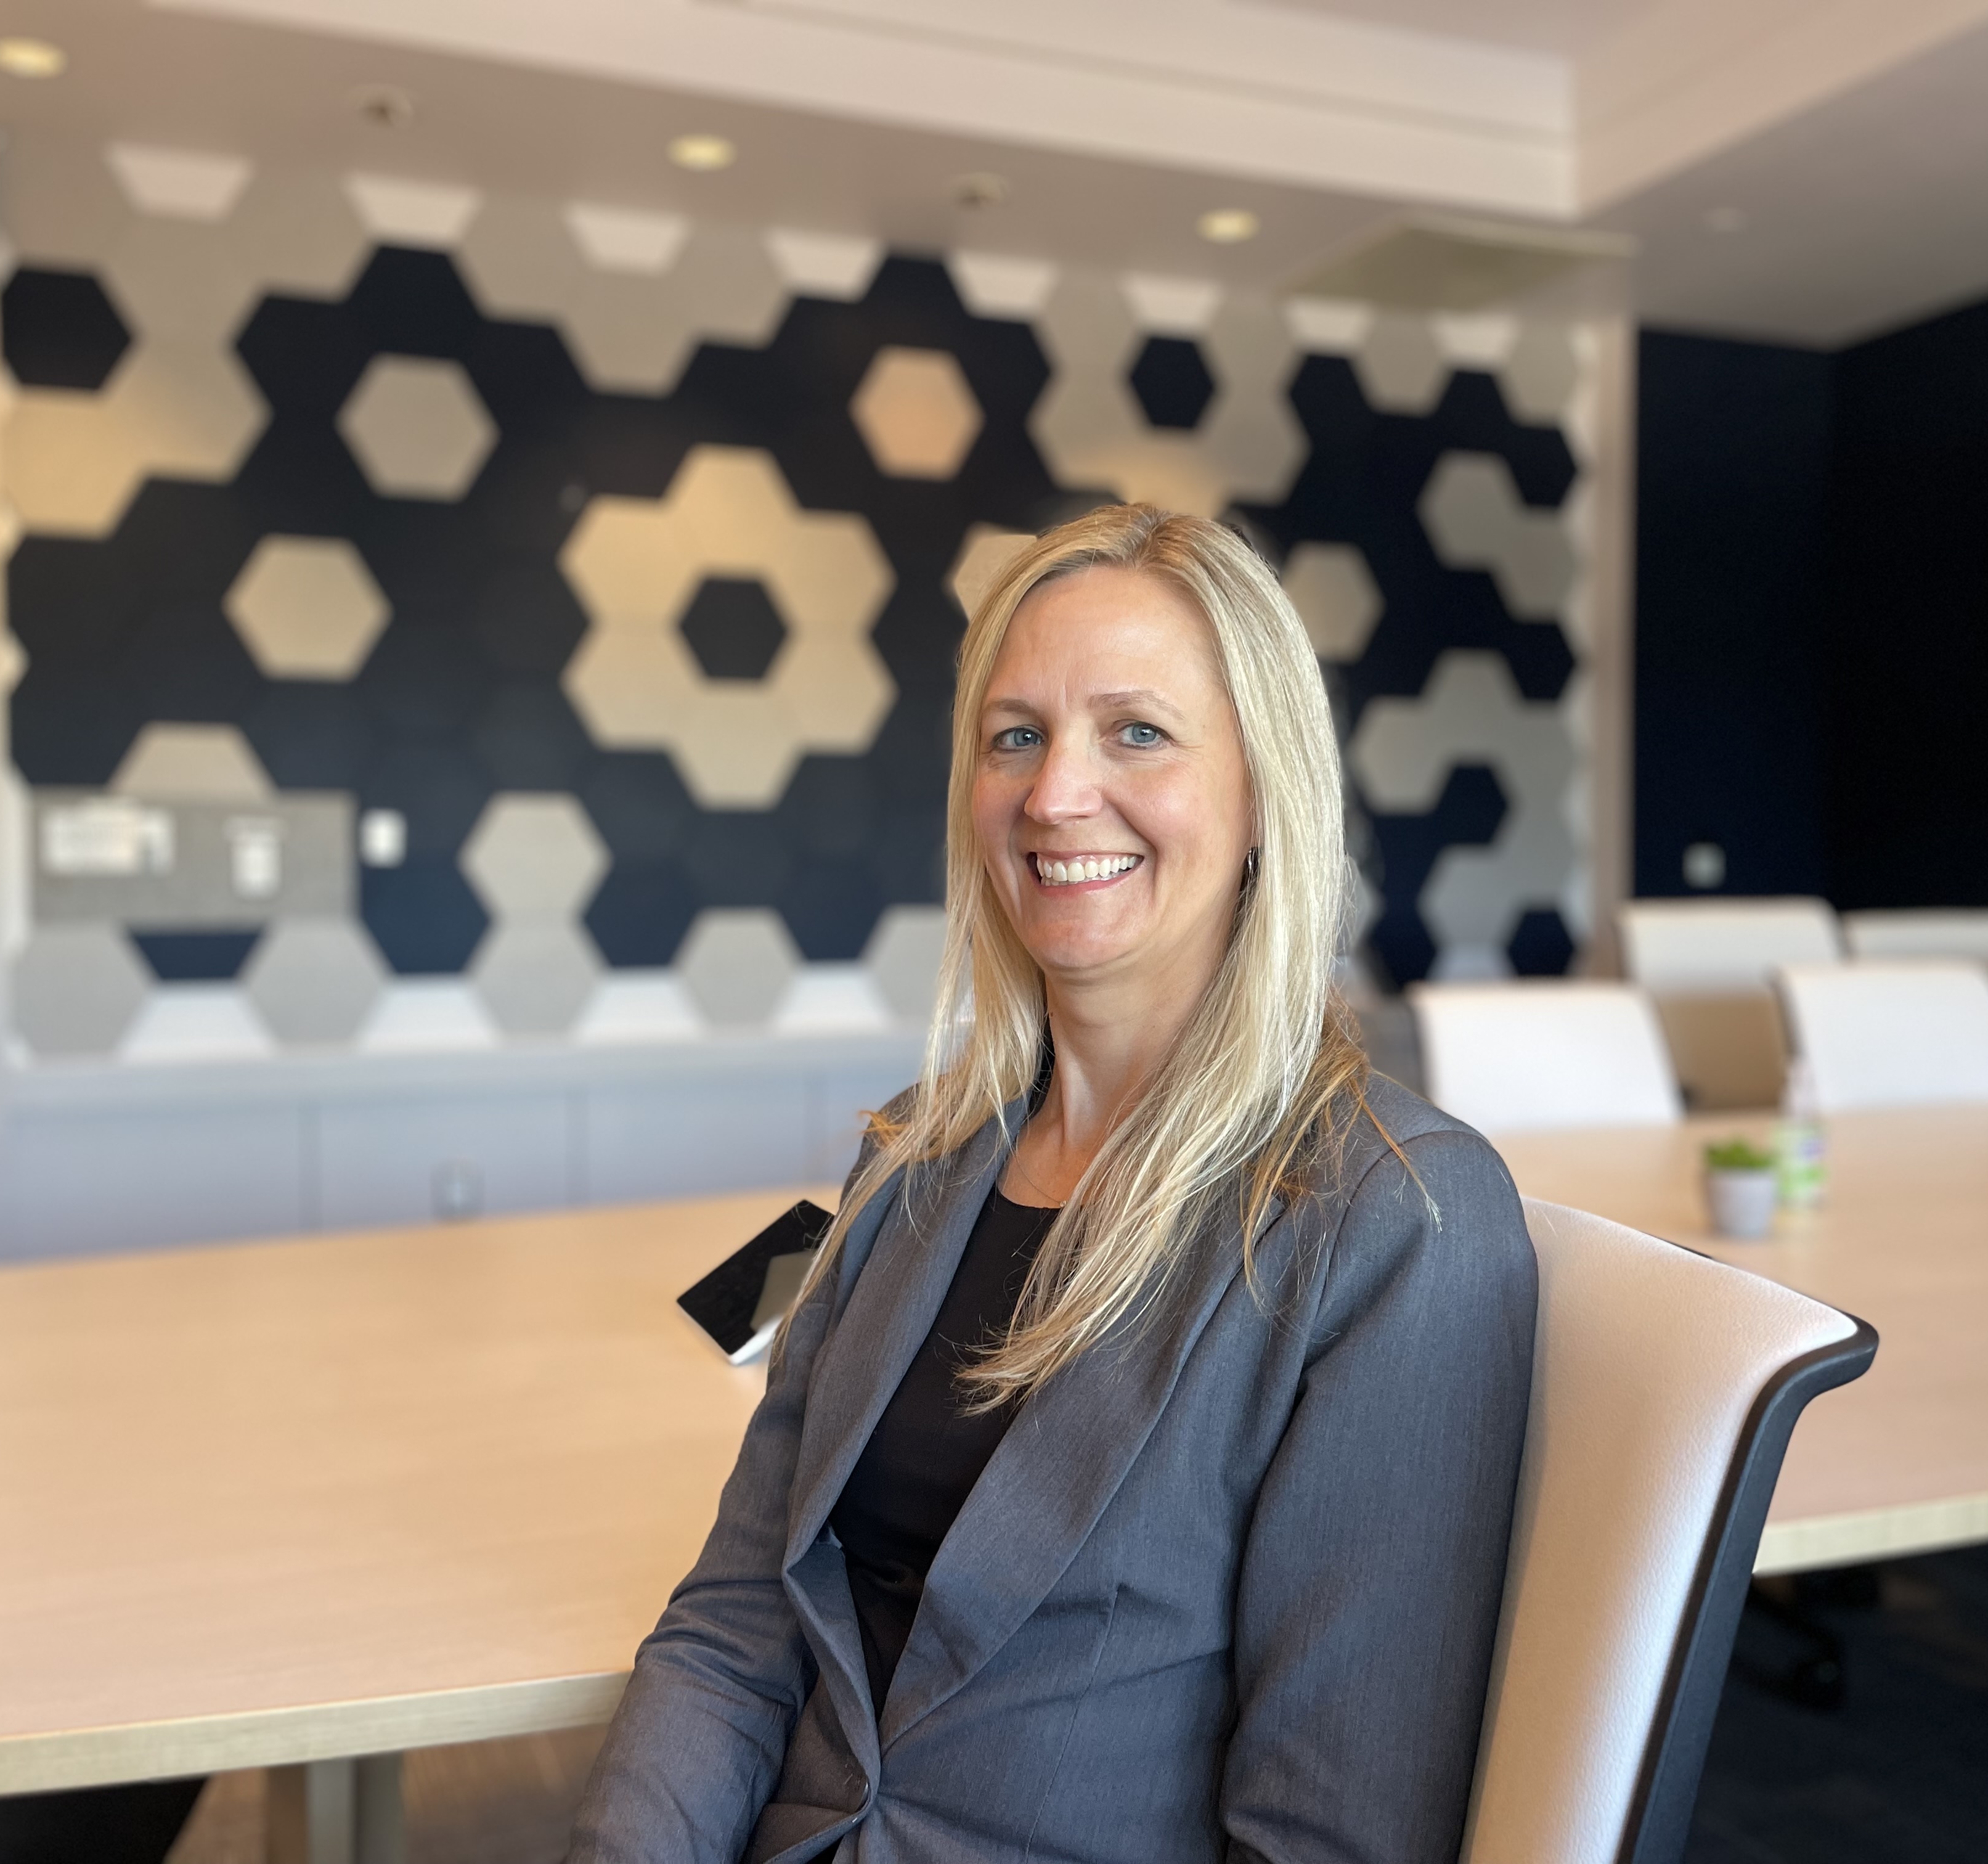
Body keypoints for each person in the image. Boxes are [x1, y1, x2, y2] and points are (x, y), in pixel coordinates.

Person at [566, 505, 1537, 1864]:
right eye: (1014, 734)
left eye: (1136, 731)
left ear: (1264, 792)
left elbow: (1330, 1836)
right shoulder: (913, 1156)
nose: (1054, 793)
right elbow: (740, 1621)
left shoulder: (1396, 1224)